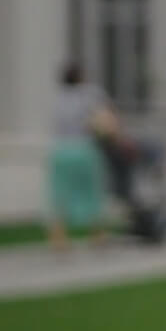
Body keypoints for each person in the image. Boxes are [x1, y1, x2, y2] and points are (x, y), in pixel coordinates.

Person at [45, 62, 113, 252]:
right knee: (91, 192)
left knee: (60, 195)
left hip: (59, 151)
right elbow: (105, 121)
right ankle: (97, 235)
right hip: (83, 149)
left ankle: (59, 238)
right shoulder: (90, 94)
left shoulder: (57, 99)